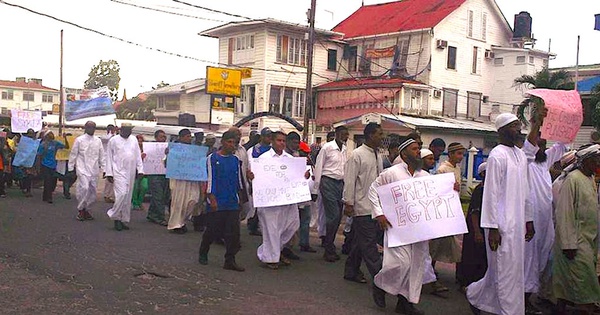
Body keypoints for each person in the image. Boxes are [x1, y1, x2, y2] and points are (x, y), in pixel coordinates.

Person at [467, 112, 540, 315]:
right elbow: (490, 195)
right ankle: (510, 311)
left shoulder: (518, 155)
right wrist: (492, 228)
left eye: (519, 126)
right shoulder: (497, 155)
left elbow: (526, 192)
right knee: (503, 271)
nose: (518, 130)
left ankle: (475, 296)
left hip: (517, 225)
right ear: (502, 130)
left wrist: (529, 220)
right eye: (514, 126)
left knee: (510, 271)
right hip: (501, 227)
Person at [368, 136, 429, 314]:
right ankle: (380, 284)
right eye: (414, 149)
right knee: (400, 264)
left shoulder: (424, 176)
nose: (418, 152)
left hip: (418, 230)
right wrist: (379, 213)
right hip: (397, 227)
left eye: (419, 148)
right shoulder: (392, 173)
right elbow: (373, 190)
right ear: (404, 153)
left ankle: (406, 303)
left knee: (415, 266)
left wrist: (452, 189)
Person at [521, 131, 566, 311]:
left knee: (541, 258)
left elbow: (561, 146)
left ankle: (531, 296)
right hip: (529, 220)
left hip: (545, 220)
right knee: (528, 260)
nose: (543, 148)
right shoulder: (526, 161)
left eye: (545, 145)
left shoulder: (544, 161)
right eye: (539, 144)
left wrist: (565, 123)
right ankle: (522, 300)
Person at [552, 144, 600, 314]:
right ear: (586, 161)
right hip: (574, 242)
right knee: (584, 282)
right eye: (596, 159)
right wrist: (568, 244)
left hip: (588, 240)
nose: (598, 163)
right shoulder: (572, 179)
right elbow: (565, 213)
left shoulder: (589, 179)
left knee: (571, 282)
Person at [252, 131, 310, 269]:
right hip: (269, 201)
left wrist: (304, 176)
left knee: (292, 225)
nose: (281, 143)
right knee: (271, 229)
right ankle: (271, 259)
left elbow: (297, 176)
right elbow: (257, 177)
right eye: (279, 140)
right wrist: (252, 176)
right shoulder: (263, 159)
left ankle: (271, 251)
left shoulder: (290, 159)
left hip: (286, 200)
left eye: (284, 141)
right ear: (272, 141)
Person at [342, 123, 386, 302]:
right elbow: (350, 180)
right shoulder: (357, 155)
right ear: (369, 136)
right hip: (361, 206)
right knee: (369, 244)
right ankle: (380, 279)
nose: (381, 137)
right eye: (379, 134)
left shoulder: (378, 155)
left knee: (361, 241)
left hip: (376, 206)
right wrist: (349, 203)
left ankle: (351, 270)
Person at [198, 130, 245, 272]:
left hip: (232, 201)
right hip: (217, 200)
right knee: (212, 230)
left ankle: (230, 260)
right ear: (223, 142)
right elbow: (210, 179)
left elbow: (238, 180)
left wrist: (240, 198)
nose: (232, 145)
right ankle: (203, 252)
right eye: (229, 142)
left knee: (233, 233)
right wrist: (211, 198)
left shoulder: (236, 160)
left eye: (234, 143)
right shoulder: (212, 158)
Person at [313, 126, 349, 262]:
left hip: (340, 183)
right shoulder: (327, 147)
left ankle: (330, 243)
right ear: (337, 134)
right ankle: (328, 247)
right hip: (327, 181)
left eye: (347, 135)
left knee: (338, 216)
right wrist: (316, 189)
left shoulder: (345, 150)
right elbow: (319, 167)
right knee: (333, 215)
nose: (345, 137)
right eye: (343, 134)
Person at [429, 143, 465, 274]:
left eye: (462, 154)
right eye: (458, 154)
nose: (461, 157)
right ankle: (429, 269)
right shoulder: (442, 169)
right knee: (435, 243)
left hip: (452, 210)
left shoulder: (457, 169)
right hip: (442, 211)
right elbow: (438, 190)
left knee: (447, 243)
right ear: (450, 154)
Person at [105, 123, 144, 231]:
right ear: (121, 130)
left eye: (130, 129)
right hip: (118, 171)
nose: (129, 131)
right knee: (121, 194)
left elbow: (137, 156)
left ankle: (123, 220)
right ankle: (115, 217)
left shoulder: (134, 140)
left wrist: (140, 170)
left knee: (127, 198)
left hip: (130, 172)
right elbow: (108, 157)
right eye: (126, 129)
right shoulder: (113, 140)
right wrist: (109, 173)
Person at [456, 162, 488, 291]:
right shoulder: (480, 190)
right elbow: (475, 212)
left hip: (482, 228)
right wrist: (477, 232)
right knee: (472, 257)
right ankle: (466, 283)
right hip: (476, 229)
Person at [69, 121, 105, 221]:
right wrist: (71, 168)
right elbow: (73, 154)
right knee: (84, 188)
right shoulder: (79, 140)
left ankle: (87, 209)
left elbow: (102, 156)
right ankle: (80, 209)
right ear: (85, 128)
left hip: (94, 170)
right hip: (82, 168)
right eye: (89, 127)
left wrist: (105, 169)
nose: (92, 129)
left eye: (93, 127)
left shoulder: (98, 140)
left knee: (92, 191)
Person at [167, 129, 201, 234]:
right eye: (187, 136)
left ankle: (182, 221)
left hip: (191, 180)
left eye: (190, 136)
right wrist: (168, 156)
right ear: (180, 138)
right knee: (178, 202)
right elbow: (166, 164)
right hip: (178, 181)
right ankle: (176, 224)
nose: (189, 138)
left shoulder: (194, 150)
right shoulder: (174, 150)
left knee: (193, 200)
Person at [246, 127, 273, 236]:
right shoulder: (253, 150)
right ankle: (252, 225)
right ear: (262, 137)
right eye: (267, 136)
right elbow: (249, 166)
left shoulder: (273, 150)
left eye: (271, 136)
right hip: (256, 181)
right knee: (255, 206)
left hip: (269, 182)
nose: (269, 138)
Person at [37, 130, 68, 204]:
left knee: (52, 181)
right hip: (45, 165)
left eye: (52, 134)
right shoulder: (43, 144)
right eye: (49, 134)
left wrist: (65, 138)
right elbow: (39, 155)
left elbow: (66, 146)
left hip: (53, 165)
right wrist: (38, 166)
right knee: (48, 181)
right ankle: (49, 197)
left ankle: (45, 196)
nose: (51, 135)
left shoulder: (55, 143)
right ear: (46, 136)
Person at [146, 130, 169, 226]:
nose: (163, 139)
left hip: (164, 175)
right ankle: (160, 217)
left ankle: (152, 214)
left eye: (164, 137)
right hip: (154, 175)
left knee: (160, 196)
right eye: (161, 137)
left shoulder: (167, 149)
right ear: (156, 138)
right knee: (158, 196)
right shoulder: (150, 148)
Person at [132, 134, 148, 211]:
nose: (140, 142)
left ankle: (139, 202)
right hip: (135, 173)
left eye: (141, 141)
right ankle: (135, 203)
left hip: (144, 173)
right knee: (135, 187)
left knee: (144, 187)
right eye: (138, 141)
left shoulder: (147, 150)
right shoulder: (132, 150)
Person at [101, 124, 117, 203]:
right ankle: (107, 195)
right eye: (111, 129)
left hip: (114, 161)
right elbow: (109, 138)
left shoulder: (115, 137)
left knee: (113, 179)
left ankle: (110, 195)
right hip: (106, 161)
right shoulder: (105, 137)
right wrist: (112, 133)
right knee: (108, 179)